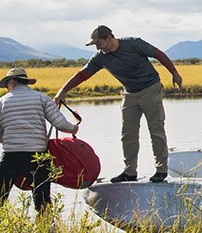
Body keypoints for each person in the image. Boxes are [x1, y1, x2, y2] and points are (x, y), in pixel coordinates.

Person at [54, 25, 183, 183]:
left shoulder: (134, 43)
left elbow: (158, 54)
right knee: (127, 134)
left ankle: (161, 170)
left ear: (109, 38)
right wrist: (63, 90)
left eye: (99, 43)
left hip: (150, 89)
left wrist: (174, 73)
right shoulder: (100, 57)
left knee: (156, 130)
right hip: (129, 94)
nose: (97, 47)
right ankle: (130, 172)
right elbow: (82, 75)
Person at [0, 67, 80, 213]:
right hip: (38, 154)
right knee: (42, 200)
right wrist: (73, 129)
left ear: (11, 82)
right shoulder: (42, 98)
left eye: (7, 84)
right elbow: (59, 123)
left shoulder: (1, 102)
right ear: (25, 82)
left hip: (11, 154)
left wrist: (13, 139)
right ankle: (46, 231)